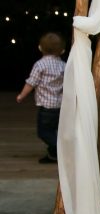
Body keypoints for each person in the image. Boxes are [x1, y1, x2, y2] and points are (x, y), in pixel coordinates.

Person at [16, 31, 66, 164]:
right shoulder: (63, 65)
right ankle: (54, 153)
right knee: (55, 130)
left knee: (43, 132)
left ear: (40, 48)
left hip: (46, 108)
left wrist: (22, 95)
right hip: (60, 106)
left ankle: (59, 148)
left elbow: (31, 83)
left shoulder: (40, 65)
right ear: (62, 51)